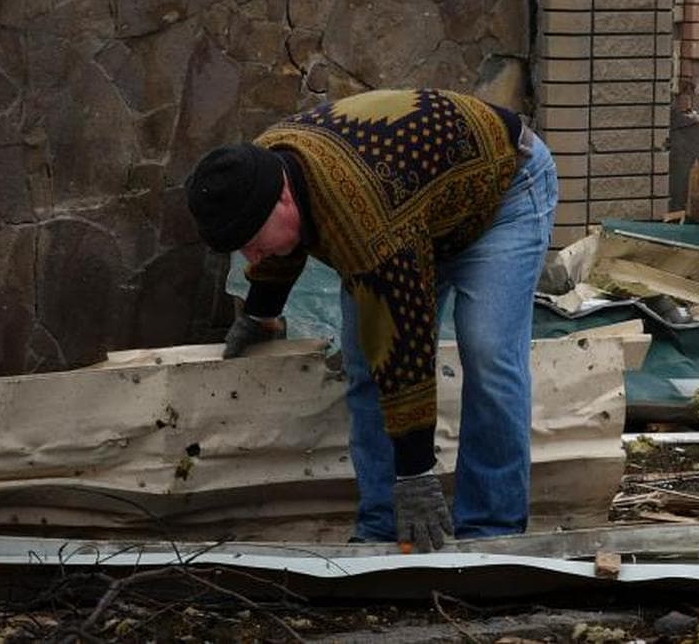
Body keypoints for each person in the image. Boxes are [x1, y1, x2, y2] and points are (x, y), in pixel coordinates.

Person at [183, 87, 556, 552]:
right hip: (416, 207)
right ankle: (382, 526)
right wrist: (262, 311)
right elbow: (281, 242)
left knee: (488, 351)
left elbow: (403, 347)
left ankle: (491, 530)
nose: (249, 255)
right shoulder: (259, 169)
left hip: (504, 193)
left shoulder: (363, 218)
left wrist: (416, 472)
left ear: (282, 199)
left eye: (249, 243)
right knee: (361, 366)